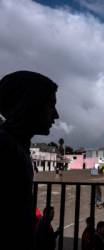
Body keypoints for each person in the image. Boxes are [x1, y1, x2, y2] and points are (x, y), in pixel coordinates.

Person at [0, 71, 59, 250]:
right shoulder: (6, 150)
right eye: (51, 105)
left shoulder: (16, 147)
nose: (56, 115)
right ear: (30, 104)